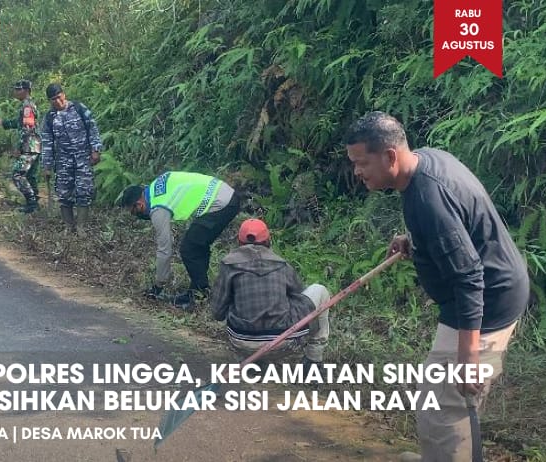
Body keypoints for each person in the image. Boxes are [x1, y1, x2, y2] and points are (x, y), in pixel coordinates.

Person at [344, 111, 529, 462]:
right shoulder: (427, 162)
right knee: (453, 401)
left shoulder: (428, 198)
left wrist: (468, 357)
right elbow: (459, 225)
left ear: (390, 156)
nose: (357, 172)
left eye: (361, 162)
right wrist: (417, 241)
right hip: (495, 289)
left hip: (485, 302)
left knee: (443, 407)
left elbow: (469, 277)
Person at [211, 218, 331, 365]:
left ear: (239, 241)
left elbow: (217, 313)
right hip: (282, 342)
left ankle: (256, 360)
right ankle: (314, 358)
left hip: (242, 343)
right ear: (268, 240)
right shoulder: (281, 264)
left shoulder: (228, 264)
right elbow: (299, 295)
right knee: (320, 290)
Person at [118, 171, 241, 309]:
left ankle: (201, 294)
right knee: (197, 244)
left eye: (134, 212)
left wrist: (158, 286)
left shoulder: (158, 208)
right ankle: (196, 292)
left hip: (220, 203)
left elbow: (164, 249)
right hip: (224, 193)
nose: (136, 215)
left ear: (139, 204)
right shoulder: (155, 187)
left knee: (189, 248)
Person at [41, 83, 102, 231]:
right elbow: (47, 143)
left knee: (84, 191)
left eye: (59, 96)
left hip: (83, 157)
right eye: (53, 99)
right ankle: (69, 227)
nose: (57, 101)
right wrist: (47, 166)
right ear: (50, 101)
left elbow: (92, 128)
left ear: (64, 94)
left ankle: (81, 227)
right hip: (63, 160)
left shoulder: (79, 108)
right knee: (64, 193)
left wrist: (96, 149)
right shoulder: (50, 118)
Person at [0, 79, 42, 213]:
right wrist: (4, 123)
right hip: (34, 145)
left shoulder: (27, 106)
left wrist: (20, 148)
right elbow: (19, 123)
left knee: (18, 174)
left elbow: (27, 128)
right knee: (30, 175)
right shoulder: (28, 105)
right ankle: (34, 204)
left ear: (26, 91)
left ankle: (32, 203)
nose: (15, 92)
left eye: (18, 89)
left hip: (30, 145)